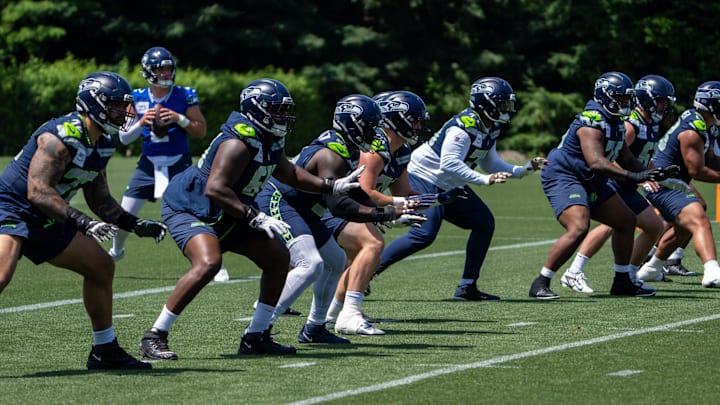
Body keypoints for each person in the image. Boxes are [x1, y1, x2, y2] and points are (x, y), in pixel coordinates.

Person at [137, 78, 365, 360]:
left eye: (284, 110)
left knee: (278, 258)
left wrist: (329, 186)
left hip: (230, 209)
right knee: (209, 263)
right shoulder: (238, 142)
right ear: (257, 109)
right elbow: (215, 188)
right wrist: (255, 217)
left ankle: (256, 336)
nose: (283, 116)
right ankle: (155, 335)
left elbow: (288, 173)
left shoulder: (267, 136)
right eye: (276, 110)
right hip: (194, 207)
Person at [0, 71, 168, 370]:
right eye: (118, 105)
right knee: (1, 276)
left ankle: (104, 350)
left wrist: (136, 224)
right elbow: (37, 190)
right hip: (13, 207)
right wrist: (84, 223)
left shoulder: (102, 142)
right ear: (96, 103)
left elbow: (100, 199)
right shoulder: (61, 136)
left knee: (101, 266)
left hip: (47, 214)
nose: (126, 112)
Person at [255, 93, 426, 341]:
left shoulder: (349, 146)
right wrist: (386, 212)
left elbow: (354, 192)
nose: (375, 134)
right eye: (370, 127)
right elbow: (340, 207)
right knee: (310, 264)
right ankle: (258, 330)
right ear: (354, 125)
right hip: (282, 200)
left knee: (335, 260)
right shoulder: (331, 155)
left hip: (305, 207)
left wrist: (390, 216)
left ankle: (314, 327)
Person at [373, 77, 545, 301]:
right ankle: (367, 272)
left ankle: (467, 286)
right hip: (424, 177)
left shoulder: (490, 125)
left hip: (449, 182)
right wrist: (483, 180)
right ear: (487, 103)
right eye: (502, 104)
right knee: (423, 234)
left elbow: (489, 162)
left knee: (483, 223)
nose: (506, 109)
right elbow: (449, 163)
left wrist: (522, 170)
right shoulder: (464, 126)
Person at [529, 71, 679, 299]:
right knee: (579, 226)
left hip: (589, 177)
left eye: (627, 99)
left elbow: (627, 159)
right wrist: (634, 177)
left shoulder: (616, 122)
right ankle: (541, 281)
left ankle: (622, 282)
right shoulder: (591, 120)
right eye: (620, 98)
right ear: (606, 97)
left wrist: (654, 174)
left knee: (626, 220)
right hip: (566, 175)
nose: (625, 103)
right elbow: (597, 162)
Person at [324, 90, 441, 335]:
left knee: (361, 258)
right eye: (415, 119)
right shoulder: (375, 148)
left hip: (352, 206)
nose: (418, 125)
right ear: (397, 119)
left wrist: (436, 199)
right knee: (373, 243)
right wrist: (395, 209)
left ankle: (333, 315)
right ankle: (348, 314)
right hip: (332, 205)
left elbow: (403, 191)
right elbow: (365, 190)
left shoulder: (401, 149)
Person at [102, 48, 221, 278]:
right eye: (160, 69)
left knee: (200, 212)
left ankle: (216, 262)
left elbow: (201, 131)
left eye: (168, 68)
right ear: (149, 72)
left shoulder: (185, 95)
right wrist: (142, 122)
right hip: (148, 165)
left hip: (180, 164)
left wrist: (179, 118)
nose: (166, 73)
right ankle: (116, 251)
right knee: (124, 212)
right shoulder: (136, 98)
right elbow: (124, 137)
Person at [636, 81, 720, 287]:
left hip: (675, 181)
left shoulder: (705, 123)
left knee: (687, 223)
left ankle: (652, 268)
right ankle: (712, 271)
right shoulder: (692, 130)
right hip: (663, 181)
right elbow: (697, 170)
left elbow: (711, 159)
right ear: (712, 104)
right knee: (698, 217)